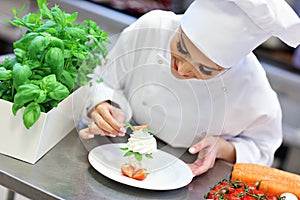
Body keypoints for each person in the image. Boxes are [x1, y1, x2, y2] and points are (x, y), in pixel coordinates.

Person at [79, 0, 300, 176]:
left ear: (227, 68)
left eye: (204, 69)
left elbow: (264, 148)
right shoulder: (153, 27)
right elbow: (102, 79)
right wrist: (105, 104)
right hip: (117, 151)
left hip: (188, 174)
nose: (181, 69)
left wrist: (223, 148)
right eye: (181, 48)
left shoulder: (250, 85)